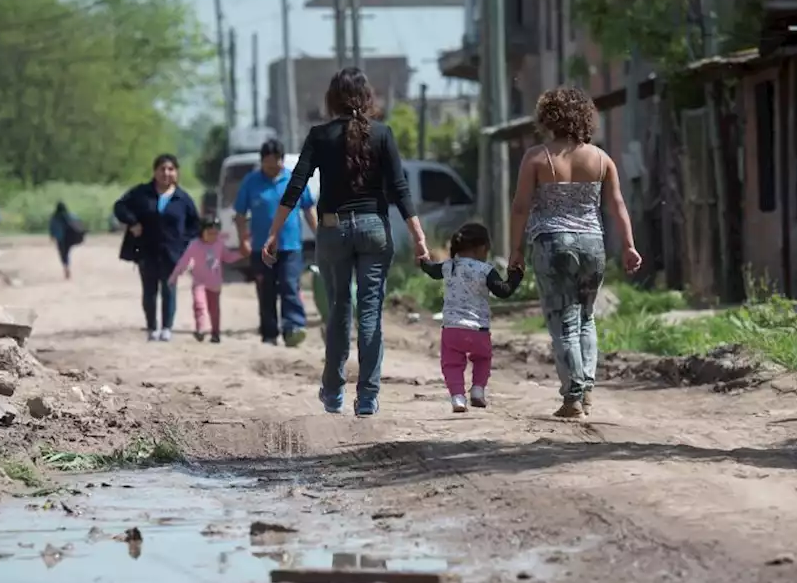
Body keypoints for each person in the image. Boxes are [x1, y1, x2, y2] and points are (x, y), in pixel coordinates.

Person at [262, 67, 431, 417]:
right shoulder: (383, 135)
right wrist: (419, 237)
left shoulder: (320, 136)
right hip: (374, 229)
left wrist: (274, 232)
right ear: (367, 98)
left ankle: (333, 391)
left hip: (332, 229)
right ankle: (367, 397)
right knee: (370, 313)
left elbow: (296, 186)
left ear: (332, 99)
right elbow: (400, 190)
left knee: (339, 308)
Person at [508, 86, 643, 419]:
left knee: (563, 321)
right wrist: (628, 245)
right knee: (586, 318)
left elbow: (521, 207)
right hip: (592, 245)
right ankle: (587, 392)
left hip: (552, 244)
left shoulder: (536, 157)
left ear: (548, 117)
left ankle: (573, 398)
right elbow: (617, 205)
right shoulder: (601, 159)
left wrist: (515, 250)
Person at [419, 223, 523, 413]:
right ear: (482, 248)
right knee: (483, 359)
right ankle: (477, 390)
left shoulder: (449, 266)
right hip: (479, 330)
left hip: (452, 330)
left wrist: (423, 261)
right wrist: (516, 275)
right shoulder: (485, 270)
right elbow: (504, 291)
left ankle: (458, 397)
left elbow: (432, 271)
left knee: (451, 364)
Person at [234, 139, 317, 347]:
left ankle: (293, 328)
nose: (272, 166)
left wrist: (319, 234)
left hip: (290, 246)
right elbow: (241, 213)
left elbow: (308, 209)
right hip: (261, 249)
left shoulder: (294, 179)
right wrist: (243, 239)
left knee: (290, 286)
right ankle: (269, 333)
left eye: (276, 161)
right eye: (268, 162)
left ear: (282, 160)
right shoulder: (251, 182)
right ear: (262, 161)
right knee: (266, 290)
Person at [114, 154, 201, 341]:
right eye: (162, 169)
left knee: (169, 289)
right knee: (149, 290)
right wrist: (132, 223)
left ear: (176, 173)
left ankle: (167, 328)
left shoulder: (183, 199)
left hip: (172, 252)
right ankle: (152, 327)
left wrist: (184, 243)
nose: (166, 173)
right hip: (147, 249)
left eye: (170, 169)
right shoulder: (141, 193)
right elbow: (120, 207)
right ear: (155, 172)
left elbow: (195, 225)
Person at [168, 217, 244, 343]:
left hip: (215, 283)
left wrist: (241, 254)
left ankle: (215, 332)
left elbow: (227, 257)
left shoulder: (219, 244)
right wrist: (174, 276)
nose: (213, 236)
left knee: (214, 309)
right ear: (202, 231)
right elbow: (184, 261)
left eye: (215, 233)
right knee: (199, 305)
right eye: (209, 233)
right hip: (199, 282)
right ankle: (200, 330)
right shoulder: (194, 245)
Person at [49, 201, 86, 280]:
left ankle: (66, 266)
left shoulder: (55, 217)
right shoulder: (70, 215)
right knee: (67, 252)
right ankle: (67, 266)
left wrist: (52, 236)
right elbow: (79, 224)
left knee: (63, 254)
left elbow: (52, 227)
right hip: (69, 238)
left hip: (61, 238)